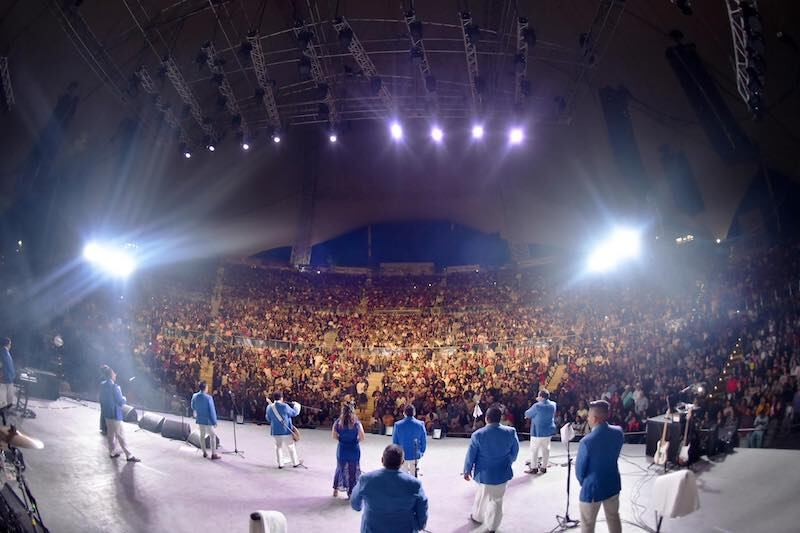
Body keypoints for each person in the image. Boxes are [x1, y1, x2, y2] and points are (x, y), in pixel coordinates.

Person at [463, 405, 519, 533]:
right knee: (497, 500)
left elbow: (471, 455)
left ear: (487, 418)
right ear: (500, 418)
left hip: (484, 474)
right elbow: (515, 452)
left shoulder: (478, 435)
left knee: (481, 497)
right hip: (503, 473)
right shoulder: (511, 432)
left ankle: (478, 517)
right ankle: (493, 526)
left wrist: (467, 470)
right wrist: (508, 461)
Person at [350, 444, 428, 533]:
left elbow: (355, 504)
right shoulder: (415, 484)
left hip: (372, 529)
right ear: (402, 462)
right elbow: (422, 508)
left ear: (382, 460)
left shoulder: (366, 479)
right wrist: (419, 525)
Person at [575, 400, 623, 533]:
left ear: (595, 419)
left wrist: (583, 483)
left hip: (592, 489)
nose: (588, 419)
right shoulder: (618, 432)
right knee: (613, 518)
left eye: (589, 416)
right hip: (613, 484)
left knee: (588, 525)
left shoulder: (587, 441)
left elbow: (580, 472)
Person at [98, 365, 140, 462]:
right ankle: (129, 456)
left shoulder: (102, 384)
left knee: (110, 434)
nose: (115, 375)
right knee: (121, 435)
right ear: (111, 375)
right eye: (114, 373)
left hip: (107, 414)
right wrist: (124, 398)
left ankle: (112, 452)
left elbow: (101, 399)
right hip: (115, 414)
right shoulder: (115, 387)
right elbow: (121, 402)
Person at [332, 402, 365, 498]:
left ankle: (335, 489)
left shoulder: (338, 422)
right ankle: (350, 492)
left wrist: (342, 440)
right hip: (354, 449)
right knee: (353, 471)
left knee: (340, 468)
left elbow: (334, 436)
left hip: (342, 448)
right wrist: (355, 441)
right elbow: (362, 437)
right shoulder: (356, 423)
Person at [524, 388, 557, 474]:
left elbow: (527, 413)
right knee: (546, 450)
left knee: (534, 450)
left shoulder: (537, 406)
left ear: (541, 397)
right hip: (548, 431)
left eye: (538, 396)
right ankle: (544, 467)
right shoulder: (553, 404)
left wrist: (538, 402)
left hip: (537, 432)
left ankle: (534, 468)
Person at [265, 391, 301, 468]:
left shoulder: (269, 407)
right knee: (290, 446)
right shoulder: (285, 406)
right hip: (286, 430)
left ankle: (280, 464)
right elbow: (294, 413)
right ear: (281, 398)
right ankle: (295, 462)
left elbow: (268, 418)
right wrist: (297, 405)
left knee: (278, 447)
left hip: (275, 431)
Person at [392, 404, 427, 477]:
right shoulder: (420, 424)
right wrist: (422, 451)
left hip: (402, 454)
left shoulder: (397, 425)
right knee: (414, 475)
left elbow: (395, 441)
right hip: (415, 453)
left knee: (403, 475)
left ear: (404, 413)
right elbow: (423, 440)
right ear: (414, 413)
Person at [191, 381, 219, 460]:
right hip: (207, 420)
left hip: (200, 419)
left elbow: (193, 407)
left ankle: (204, 452)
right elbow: (212, 411)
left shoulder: (194, 396)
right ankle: (213, 454)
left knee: (202, 435)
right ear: (205, 387)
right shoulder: (208, 398)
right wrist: (214, 422)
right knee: (212, 436)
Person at [0, 337, 16, 409]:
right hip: (5, 378)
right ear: (7, 344)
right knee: (3, 398)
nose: (10, 346)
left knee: (9, 397)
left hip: (7, 378)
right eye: (10, 344)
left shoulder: (6, 352)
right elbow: (5, 365)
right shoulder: (3, 352)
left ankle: (5, 409)